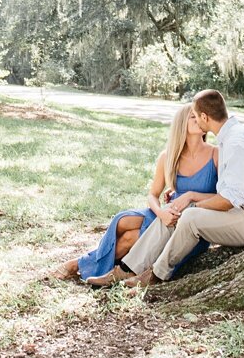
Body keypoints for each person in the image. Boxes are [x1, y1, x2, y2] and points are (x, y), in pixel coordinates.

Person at [91, 89, 244, 287]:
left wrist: (191, 201)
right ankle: (126, 270)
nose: (196, 121)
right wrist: (187, 200)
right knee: (180, 212)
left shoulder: (236, 143)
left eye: (197, 117)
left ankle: (155, 275)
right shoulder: (233, 137)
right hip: (243, 213)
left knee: (188, 216)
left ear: (205, 117)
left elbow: (227, 200)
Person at [52, 103, 217, 283]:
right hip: (167, 213)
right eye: (194, 116)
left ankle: (80, 265)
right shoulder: (168, 156)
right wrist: (161, 213)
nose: (200, 119)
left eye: (202, 116)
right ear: (181, 123)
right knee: (122, 220)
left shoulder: (216, 154)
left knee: (131, 237)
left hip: (188, 221)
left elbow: (225, 198)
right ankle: (106, 269)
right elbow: (153, 194)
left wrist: (191, 195)